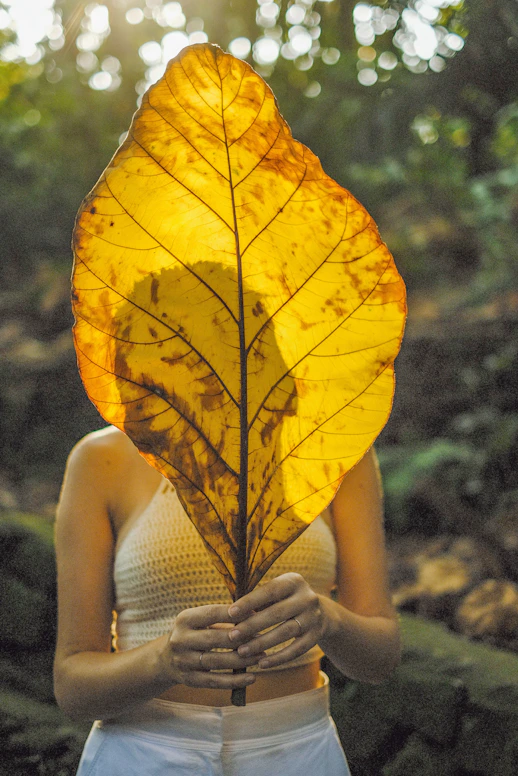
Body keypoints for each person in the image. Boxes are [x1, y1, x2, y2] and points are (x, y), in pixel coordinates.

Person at [53, 425, 400, 776]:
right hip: (145, 755)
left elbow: (380, 658)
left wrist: (328, 618)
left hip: (298, 754)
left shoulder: (339, 443)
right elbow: (73, 688)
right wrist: (161, 661)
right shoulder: (104, 457)